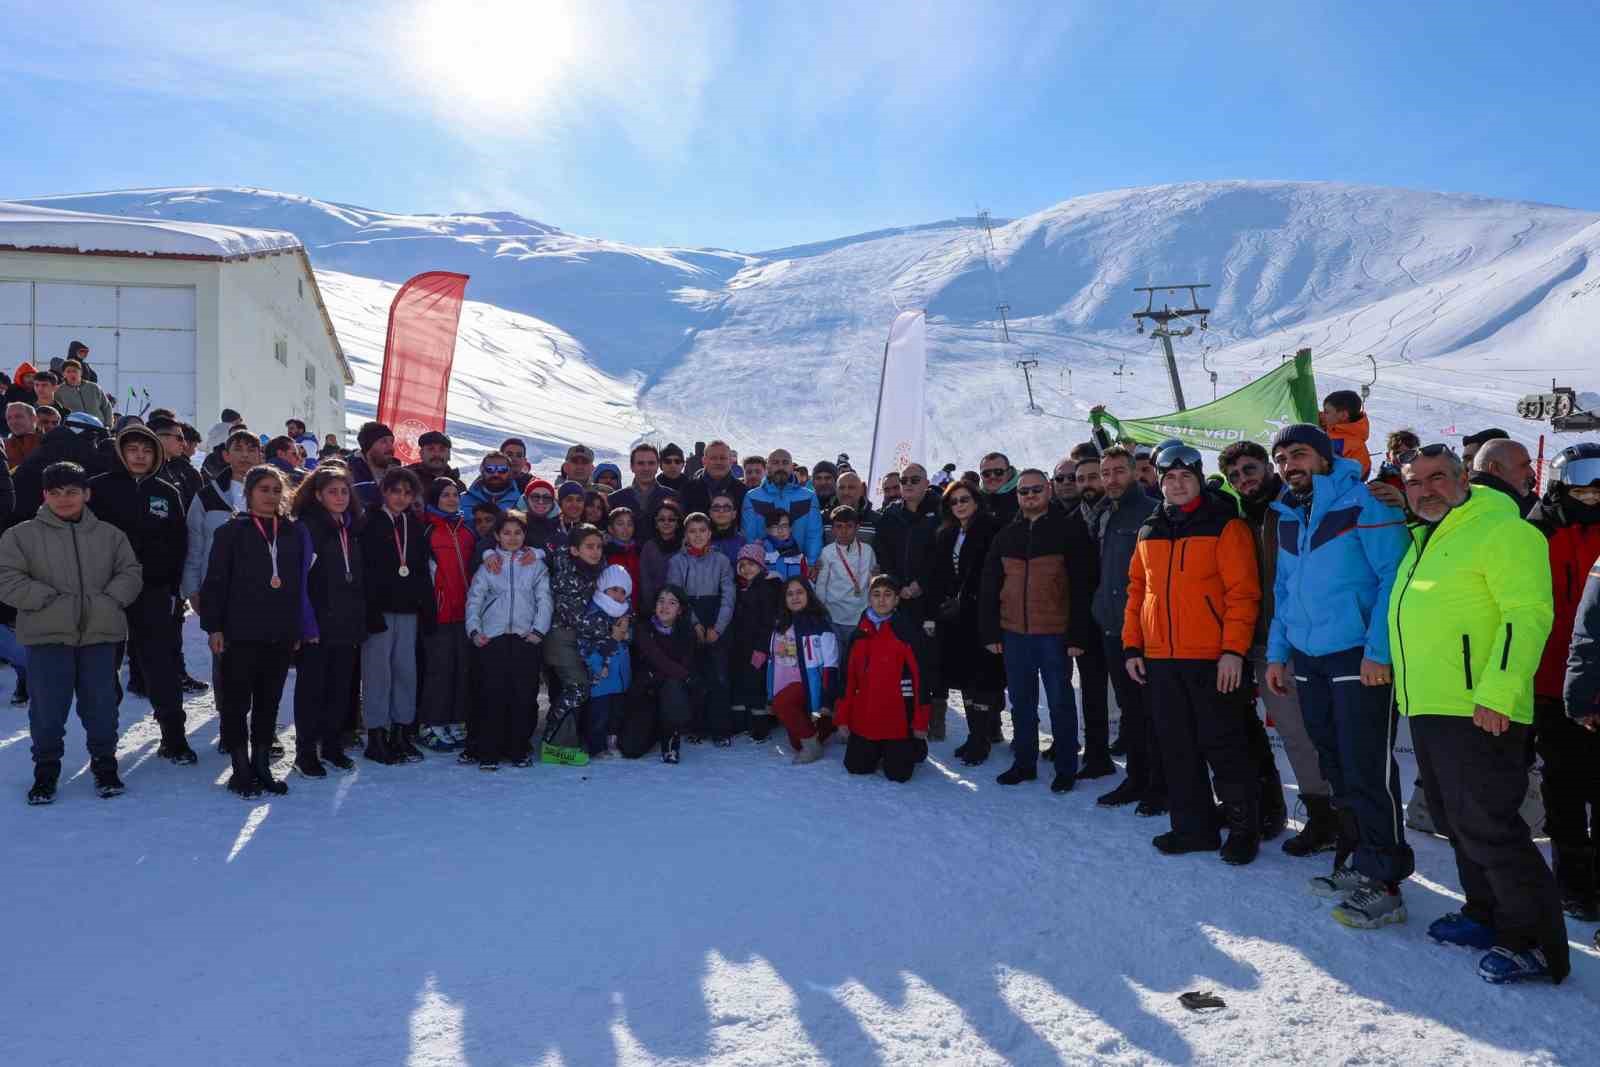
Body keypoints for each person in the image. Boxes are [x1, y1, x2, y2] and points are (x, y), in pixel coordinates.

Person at [1389, 444, 1567, 984]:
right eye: (1415, 482)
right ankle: (1486, 913)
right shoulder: (1429, 536)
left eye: (1438, 477)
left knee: (1491, 827)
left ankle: (1535, 944)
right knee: (1454, 820)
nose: (1426, 489)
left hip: (1478, 707)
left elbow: (1528, 614)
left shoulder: (1502, 531)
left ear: (1465, 478)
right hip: (1430, 704)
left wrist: (1497, 691)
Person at [1264, 425, 1413, 927]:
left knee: (1367, 765)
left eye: (1299, 453)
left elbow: (1395, 577)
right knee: (1334, 763)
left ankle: (1386, 881)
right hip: (1308, 656)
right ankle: (1358, 860)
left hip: (1357, 656)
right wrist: (1277, 654)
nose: (1289, 464)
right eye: (1282, 457)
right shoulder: (1287, 512)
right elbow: (1285, 591)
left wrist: (1379, 652)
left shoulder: (1364, 502)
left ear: (1325, 457)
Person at [1123, 444, 1263, 863]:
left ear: (1199, 478)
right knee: (1177, 746)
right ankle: (1193, 827)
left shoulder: (1225, 525)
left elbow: (1243, 595)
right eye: (1169, 478)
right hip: (1161, 657)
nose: (1177, 484)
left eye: (1185, 477)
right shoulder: (1149, 529)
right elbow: (1137, 591)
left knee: (1224, 746)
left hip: (1212, 658)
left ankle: (1243, 829)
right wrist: (1133, 645)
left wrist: (1233, 652)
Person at [1, 462, 142, 804]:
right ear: (44, 495)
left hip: (100, 635)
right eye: (56, 493)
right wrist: (47, 600)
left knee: (102, 706)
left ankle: (105, 765)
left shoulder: (110, 535)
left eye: (72, 492)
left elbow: (130, 572)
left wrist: (110, 601)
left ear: (86, 494)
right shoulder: (20, 536)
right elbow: (7, 579)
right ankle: (46, 771)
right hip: (48, 636)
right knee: (48, 710)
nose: (64, 499)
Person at [1219, 440, 1335, 855]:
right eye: (1234, 476)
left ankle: (1329, 817)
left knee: (1302, 733)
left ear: (1269, 467)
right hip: (1252, 638)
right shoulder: (1237, 517)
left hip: (1290, 640)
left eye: (1250, 470)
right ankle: (1306, 810)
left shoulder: (1294, 504)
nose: (1243, 480)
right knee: (1285, 733)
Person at [981, 468, 1096, 790]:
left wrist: (1077, 634)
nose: (1029, 496)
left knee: (1060, 700)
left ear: (1048, 490)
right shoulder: (1007, 535)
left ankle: (1066, 768)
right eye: (1023, 492)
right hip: (1014, 633)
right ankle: (1024, 762)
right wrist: (991, 632)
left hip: (1054, 633)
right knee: (1022, 701)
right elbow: (990, 585)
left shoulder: (1069, 531)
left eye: (1035, 490)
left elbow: (1082, 586)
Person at [86, 425, 191, 763]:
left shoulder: (167, 491)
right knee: (105, 670)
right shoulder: (98, 488)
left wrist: (176, 589)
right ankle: (104, 745)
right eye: (133, 450)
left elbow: (179, 543)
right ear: (121, 452)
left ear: (156, 454)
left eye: (146, 450)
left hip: (154, 592)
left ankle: (174, 738)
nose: (140, 456)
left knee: (161, 666)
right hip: (107, 592)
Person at [1528, 443, 1600, 920]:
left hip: (1598, 676)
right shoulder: (1536, 533)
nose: (1591, 498)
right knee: (1565, 787)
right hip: (1550, 682)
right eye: (1582, 491)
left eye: (1599, 492)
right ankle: (1573, 881)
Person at [200, 466, 304, 798]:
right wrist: (214, 626)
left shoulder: (290, 531)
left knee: (268, 702)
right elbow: (215, 582)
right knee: (236, 702)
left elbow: (299, 585)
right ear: (248, 494)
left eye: (276, 489)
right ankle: (240, 766)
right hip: (240, 631)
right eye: (263, 489)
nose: (271, 495)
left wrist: (296, 625)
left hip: (278, 631)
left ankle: (261, 763)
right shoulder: (231, 532)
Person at [1089, 446, 1163, 811]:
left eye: (1119, 471)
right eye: (1106, 472)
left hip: (1143, 630)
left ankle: (1156, 783)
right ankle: (1137, 778)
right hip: (1111, 625)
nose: (1111, 479)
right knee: (1131, 710)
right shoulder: (1105, 512)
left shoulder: (1151, 511)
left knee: (1150, 711)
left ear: (1134, 472)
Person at [290, 466, 366, 777]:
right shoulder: (308, 528)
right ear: (318, 495)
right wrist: (306, 625)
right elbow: (299, 581)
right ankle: (306, 752)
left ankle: (333, 746)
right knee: (312, 690)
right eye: (332, 491)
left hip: (346, 624)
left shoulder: (350, 527)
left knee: (340, 689)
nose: (339, 497)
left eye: (344, 491)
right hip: (317, 625)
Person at [359, 467, 435, 765]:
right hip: (379, 611)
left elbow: (420, 570)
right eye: (395, 491)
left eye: (407, 492)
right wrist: (370, 610)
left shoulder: (412, 524)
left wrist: (427, 609)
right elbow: (365, 572)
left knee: (406, 672)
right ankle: (376, 735)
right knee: (378, 674)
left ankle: (401, 732)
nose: (401, 497)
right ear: (384, 492)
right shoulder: (370, 523)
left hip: (407, 611)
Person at [465, 510, 553, 769]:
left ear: (525, 536)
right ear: (496, 536)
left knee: (523, 695)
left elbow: (544, 600)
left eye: (517, 533)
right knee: (492, 694)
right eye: (506, 533)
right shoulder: (489, 565)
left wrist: (538, 630)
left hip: (525, 638)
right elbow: (475, 599)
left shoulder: (535, 565)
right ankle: (488, 750)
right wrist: (474, 629)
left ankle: (518, 748)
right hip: (493, 638)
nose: (512, 538)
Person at [927, 481, 1006, 765]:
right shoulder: (947, 533)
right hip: (955, 617)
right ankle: (975, 734)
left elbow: (992, 574)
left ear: (976, 500)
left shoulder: (991, 529)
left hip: (982, 614)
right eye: (954, 502)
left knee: (983, 678)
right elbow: (940, 572)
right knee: (965, 679)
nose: (959, 505)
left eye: (965, 499)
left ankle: (981, 739)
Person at [543, 525, 626, 765]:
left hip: (586, 640)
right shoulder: (566, 574)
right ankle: (554, 743)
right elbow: (576, 616)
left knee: (590, 687)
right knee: (578, 688)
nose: (595, 551)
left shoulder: (600, 570)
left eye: (599, 546)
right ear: (574, 550)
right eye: (589, 547)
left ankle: (580, 738)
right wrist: (611, 632)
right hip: (563, 638)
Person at [837, 576, 930, 782]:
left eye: (888, 595)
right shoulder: (860, 633)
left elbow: (921, 679)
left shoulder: (906, 632)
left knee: (898, 775)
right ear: (869, 599)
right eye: (876, 595)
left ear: (897, 600)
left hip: (897, 719)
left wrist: (920, 721)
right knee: (856, 767)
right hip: (866, 718)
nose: (882, 600)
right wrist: (843, 718)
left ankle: (914, 745)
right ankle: (875, 748)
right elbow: (847, 679)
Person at [666, 512, 737, 744]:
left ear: (710, 533)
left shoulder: (721, 560)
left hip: (716, 614)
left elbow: (728, 595)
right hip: (689, 616)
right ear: (685, 534)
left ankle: (720, 729)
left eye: (702, 531)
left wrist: (718, 627)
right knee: (694, 673)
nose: (698, 536)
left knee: (718, 675)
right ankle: (696, 725)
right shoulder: (678, 561)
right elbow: (678, 595)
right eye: (692, 531)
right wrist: (694, 623)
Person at [418, 478, 475, 751]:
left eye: (455, 495)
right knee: (438, 670)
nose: (452, 499)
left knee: (461, 668)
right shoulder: (428, 530)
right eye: (445, 495)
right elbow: (423, 574)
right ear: (434, 499)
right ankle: (431, 721)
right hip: (439, 612)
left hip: (464, 612)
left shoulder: (466, 530)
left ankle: (455, 718)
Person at [762, 576, 837, 764]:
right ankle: (824, 728)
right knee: (796, 743)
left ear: (808, 595)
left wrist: (827, 701)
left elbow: (831, 665)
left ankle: (813, 745)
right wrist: (770, 695)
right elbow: (773, 662)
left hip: (808, 686)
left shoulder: (819, 624)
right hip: (785, 686)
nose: (795, 598)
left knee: (783, 704)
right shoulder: (780, 624)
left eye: (800, 592)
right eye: (790, 594)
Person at [621, 586, 698, 763]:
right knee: (630, 749)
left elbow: (684, 668)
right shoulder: (643, 629)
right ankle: (656, 728)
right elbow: (657, 658)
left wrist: (675, 676)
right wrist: (679, 675)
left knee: (673, 685)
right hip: (645, 693)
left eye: (672, 602)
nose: (665, 606)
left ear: (680, 610)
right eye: (661, 601)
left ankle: (671, 741)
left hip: (672, 694)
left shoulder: (687, 633)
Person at [730, 542, 782, 739]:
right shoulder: (741, 588)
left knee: (756, 685)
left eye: (751, 564)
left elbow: (767, 622)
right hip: (740, 645)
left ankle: (759, 725)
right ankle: (740, 722)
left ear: (760, 565)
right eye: (742, 565)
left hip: (757, 647)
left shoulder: (766, 589)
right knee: (741, 682)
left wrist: (762, 648)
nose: (746, 569)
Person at [579, 565, 632, 758]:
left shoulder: (626, 613)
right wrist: (597, 666)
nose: (618, 595)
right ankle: (596, 745)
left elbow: (629, 640)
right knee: (598, 714)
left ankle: (612, 740)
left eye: (622, 591)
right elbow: (586, 645)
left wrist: (627, 634)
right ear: (603, 589)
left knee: (616, 713)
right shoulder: (593, 614)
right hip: (601, 677)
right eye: (613, 590)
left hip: (620, 676)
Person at [740, 449, 822, 571]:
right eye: (775, 462)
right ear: (767, 466)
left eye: (785, 463)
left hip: (798, 568)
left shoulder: (808, 496)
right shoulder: (752, 496)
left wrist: (810, 563)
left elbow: (814, 534)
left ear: (791, 467)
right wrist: (756, 565)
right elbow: (750, 536)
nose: (780, 467)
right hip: (765, 568)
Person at [813, 505, 876, 654]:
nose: (844, 531)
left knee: (856, 657)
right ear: (833, 529)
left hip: (860, 615)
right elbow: (821, 584)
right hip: (833, 615)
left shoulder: (867, 550)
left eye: (849, 526)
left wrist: (872, 611)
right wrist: (821, 613)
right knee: (836, 657)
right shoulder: (827, 552)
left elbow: (872, 581)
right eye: (839, 527)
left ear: (857, 527)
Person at [638, 497, 684, 616]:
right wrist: (653, 608)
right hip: (654, 609)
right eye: (661, 519)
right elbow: (645, 581)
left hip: (680, 609)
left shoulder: (685, 547)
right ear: (656, 523)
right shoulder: (649, 547)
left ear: (678, 523)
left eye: (671, 519)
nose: (666, 522)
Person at [610, 443, 679, 521]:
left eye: (651, 463)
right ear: (632, 467)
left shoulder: (673, 497)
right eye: (640, 463)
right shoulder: (615, 499)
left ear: (657, 466)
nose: (646, 468)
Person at [1472, 438, 1538, 518]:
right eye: (1524, 466)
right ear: (1496, 469)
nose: (1532, 473)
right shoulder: (1499, 507)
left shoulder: (1466, 498)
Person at [680, 440, 748, 517]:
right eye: (713, 458)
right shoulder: (688, 490)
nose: (718, 462)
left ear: (731, 461)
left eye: (723, 458)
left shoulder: (742, 491)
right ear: (704, 461)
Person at [1320, 390, 1373, 479]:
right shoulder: (1330, 427)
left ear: (1344, 415)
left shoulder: (1355, 447)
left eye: (1326, 412)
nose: (1323, 415)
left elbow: (1352, 479)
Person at [54, 360, 114, 427]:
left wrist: (108, 425)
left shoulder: (94, 387)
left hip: (98, 427)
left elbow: (106, 407)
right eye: (68, 371)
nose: (72, 374)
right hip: (75, 429)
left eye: (75, 371)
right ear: (63, 374)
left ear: (81, 372)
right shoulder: (59, 391)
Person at [603, 507, 642, 609]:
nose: (626, 528)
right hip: (612, 608)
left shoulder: (638, 551)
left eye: (630, 524)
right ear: (610, 529)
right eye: (620, 524)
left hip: (637, 607)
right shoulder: (604, 552)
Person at [758, 510, 809, 582]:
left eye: (784, 526)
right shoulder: (759, 551)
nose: (780, 530)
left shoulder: (799, 555)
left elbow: (805, 583)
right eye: (775, 526)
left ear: (791, 529)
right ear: (767, 530)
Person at [832, 471, 877, 545]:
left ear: (861, 490)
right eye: (841, 487)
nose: (846, 492)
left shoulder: (876, 520)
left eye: (851, 488)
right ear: (836, 490)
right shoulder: (824, 518)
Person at [347, 421, 396, 487]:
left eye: (392, 442)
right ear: (368, 447)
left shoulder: (397, 475)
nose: (391, 447)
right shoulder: (348, 476)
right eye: (383, 441)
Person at [978, 451, 1020, 525]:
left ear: (1009, 472)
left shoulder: (1025, 494)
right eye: (986, 474)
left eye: (998, 472)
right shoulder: (977, 499)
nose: (992, 477)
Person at [706, 492, 745, 566]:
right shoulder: (700, 540)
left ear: (734, 514)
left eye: (727, 508)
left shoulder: (742, 543)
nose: (721, 511)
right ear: (710, 513)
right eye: (716, 508)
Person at [4, 402, 40, 468]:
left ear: (34, 419)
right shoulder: (3, 447)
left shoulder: (50, 443)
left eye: (18, 416)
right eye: (9, 418)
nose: (13, 422)